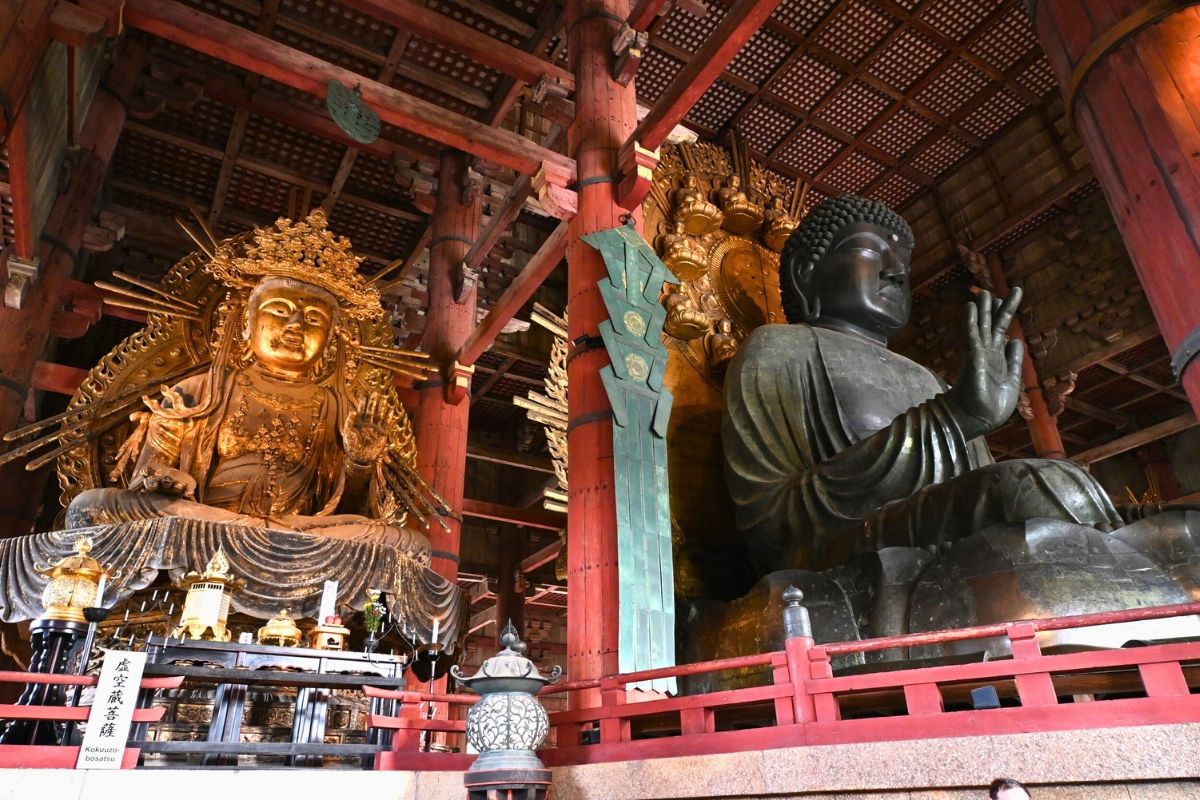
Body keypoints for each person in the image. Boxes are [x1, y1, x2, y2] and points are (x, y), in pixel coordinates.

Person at [722, 193, 1120, 574]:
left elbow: (978, 488)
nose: (896, 271)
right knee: (1037, 488)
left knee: (1103, 501)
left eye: (903, 265)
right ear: (804, 273)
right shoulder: (779, 348)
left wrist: (956, 415)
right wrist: (953, 417)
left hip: (944, 532)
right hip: (842, 546)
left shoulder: (930, 379)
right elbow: (772, 526)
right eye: (872, 251)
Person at [65, 212, 432, 560]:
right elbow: (147, 479)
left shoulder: (342, 410)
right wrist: (165, 479)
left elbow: (354, 510)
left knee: (407, 544)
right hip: (205, 521)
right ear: (245, 323)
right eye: (280, 310)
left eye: (314, 318)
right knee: (90, 508)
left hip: (298, 532)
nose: (296, 325)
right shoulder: (199, 391)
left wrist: (360, 463)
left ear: (331, 341)